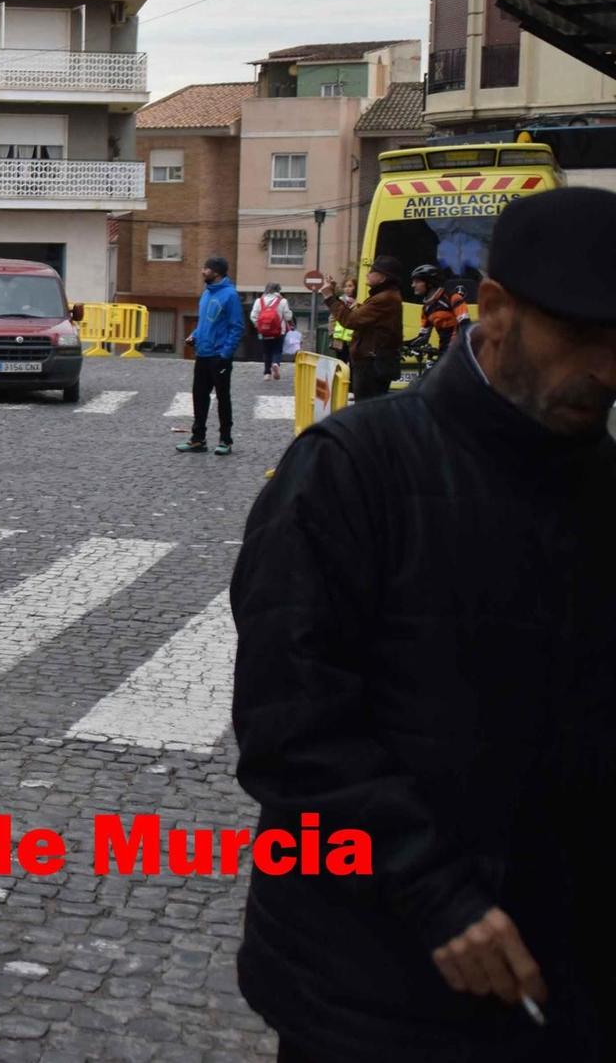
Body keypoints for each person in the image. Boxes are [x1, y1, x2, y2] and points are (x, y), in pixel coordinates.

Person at [230, 186, 616, 1061]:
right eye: (582, 338)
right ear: (494, 312)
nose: (607, 368)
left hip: (567, 980)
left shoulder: (601, 485)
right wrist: (438, 891)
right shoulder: (350, 469)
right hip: (373, 978)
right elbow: (290, 728)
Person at [177, 255, 245, 456]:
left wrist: (226, 353)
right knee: (199, 397)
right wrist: (195, 335)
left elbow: (237, 327)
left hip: (219, 356)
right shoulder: (206, 294)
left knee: (223, 398)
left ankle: (225, 440)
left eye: (206, 269)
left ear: (216, 272)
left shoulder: (230, 295)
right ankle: (198, 439)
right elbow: (204, 323)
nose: (202, 271)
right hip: (203, 354)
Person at [322, 256, 405, 400]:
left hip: (372, 362)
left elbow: (351, 320)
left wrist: (329, 297)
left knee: (367, 408)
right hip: (371, 359)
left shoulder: (384, 299)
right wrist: (334, 296)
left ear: (383, 278)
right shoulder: (382, 296)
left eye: (373, 271)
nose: (368, 273)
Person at [412, 265, 469, 360]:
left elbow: (465, 326)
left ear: (429, 283)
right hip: (443, 352)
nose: (413, 285)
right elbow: (423, 337)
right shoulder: (426, 308)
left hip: (457, 353)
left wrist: (453, 347)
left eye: (417, 282)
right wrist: (405, 345)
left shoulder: (453, 298)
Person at [251, 283, 295, 381]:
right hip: (279, 331)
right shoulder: (282, 301)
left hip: (264, 331)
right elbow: (288, 317)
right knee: (277, 350)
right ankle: (276, 363)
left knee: (266, 351)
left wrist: (259, 326)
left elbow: (253, 316)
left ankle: (267, 373)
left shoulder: (259, 301)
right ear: (278, 290)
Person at [329, 277, 358, 363]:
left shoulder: (359, 301)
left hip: (353, 339)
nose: (347, 289)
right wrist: (332, 333)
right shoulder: (341, 301)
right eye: (345, 286)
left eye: (350, 286)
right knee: (341, 363)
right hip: (340, 339)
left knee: (353, 364)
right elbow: (332, 318)